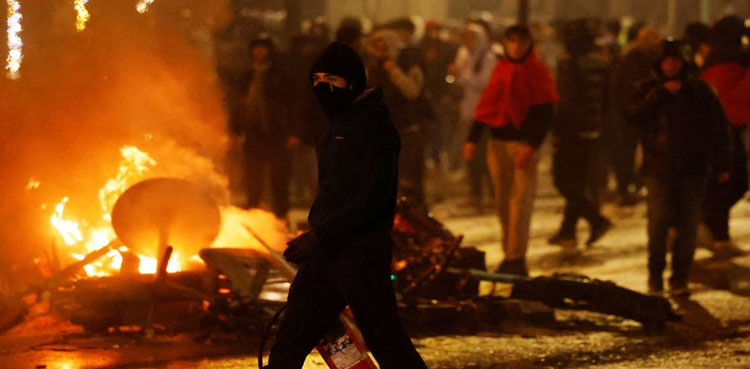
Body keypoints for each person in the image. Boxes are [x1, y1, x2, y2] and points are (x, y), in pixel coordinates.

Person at [266, 42, 428, 369]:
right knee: (292, 334)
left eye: (332, 79)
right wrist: (319, 235)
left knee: (386, 340)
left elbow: (374, 196)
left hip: (362, 255)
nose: (322, 86)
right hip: (328, 253)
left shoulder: (374, 124)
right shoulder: (337, 121)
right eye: (317, 78)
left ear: (352, 81)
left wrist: (321, 235)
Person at [623, 40, 730, 296]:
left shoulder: (700, 92)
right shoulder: (647, 89)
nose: (670, 66)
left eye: (675, 60)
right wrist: (660, 95)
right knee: (658, 223)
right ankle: (655, 276)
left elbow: (716, 129)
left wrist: (721, 164)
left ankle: (679, 278)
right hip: (658, 168)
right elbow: (632, 117)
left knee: (688, 225)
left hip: (693, 169)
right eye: (666, 61)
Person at [464, 25, 558, 276]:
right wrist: (472, 139)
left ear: (529, 43)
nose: (516, 46)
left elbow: (545, 112)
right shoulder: (501, 69)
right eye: (512, 41)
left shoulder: (537, 71)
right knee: (503, 201)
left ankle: (517, 257)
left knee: (521, 201)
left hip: (522, 144)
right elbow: (487, 106)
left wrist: (531, 144)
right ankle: (509, 253)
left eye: (521, 41)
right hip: (497, 143)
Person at [549, 19, 612, 248]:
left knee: (563, 181)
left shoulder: (569, 63)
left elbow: (565, 102)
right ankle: (567, 231)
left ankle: (596, 220)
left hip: (571, 133)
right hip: (593, 131)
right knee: (577, 182)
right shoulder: (601, 62)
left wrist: (558, 131)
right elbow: (606, 99)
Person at [230, 37, 299, 220]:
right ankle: (253, 217)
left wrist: (293, 132)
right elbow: (238, 106)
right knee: (253, 180)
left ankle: (280, 219)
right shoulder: (246, 76)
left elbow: (292, 104)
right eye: (256, 48)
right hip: (253, 134)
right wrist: (235, 131)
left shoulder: (280, 75)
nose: (259, 52)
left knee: (279, 180)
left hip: (277, 133)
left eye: (263, 48)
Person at [700, 16, 750, 258]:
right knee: (732, 181)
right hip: (727, 126)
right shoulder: (732, 58)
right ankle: (711, 229)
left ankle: (717, 232)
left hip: (725, 125)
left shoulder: (715, 58)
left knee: (727, 182)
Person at [365, 30, 427, 205]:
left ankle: (417, 223)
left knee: (409, 183)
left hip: (407, 132)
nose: (381, 53)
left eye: (384, 48)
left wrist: (395, 72)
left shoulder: (409, 63)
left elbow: (413, 92)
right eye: (377, 49)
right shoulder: (372, 70)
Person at [611, 26, 662, 207]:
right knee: (628, 152)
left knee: (636, 152)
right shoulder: (635, 59)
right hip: (633, 113)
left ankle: (636, 185)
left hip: (640, 113)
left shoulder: (648, 59)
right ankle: (630, 186)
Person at [452, 21, 498, 211]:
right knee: (470, 156)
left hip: (485, 114)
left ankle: (493, 193)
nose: (468, 41)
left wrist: (461, 76)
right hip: (468, 113)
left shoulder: (489, 56)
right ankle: (476, 194)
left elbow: (484, 82)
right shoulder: (463, 53)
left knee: (485, 156)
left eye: (472, 36)